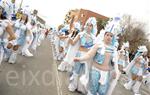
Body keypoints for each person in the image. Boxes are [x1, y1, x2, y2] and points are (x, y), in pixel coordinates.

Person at [73, 17, 125, 95]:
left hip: (106, 73)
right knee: (92, 90)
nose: (109, 37)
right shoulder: (98, 45)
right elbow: (89, 54)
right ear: (104, 35)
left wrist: (116, 71)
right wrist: (80, 58)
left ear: (113, 38)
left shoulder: (113, 49)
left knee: (102, 92)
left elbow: (115, 62)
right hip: (95, 71)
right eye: (107, 35)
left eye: (111, 36)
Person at [68, 17, 97, 93]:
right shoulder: (80, 34)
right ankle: (73, 85)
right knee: (76, 71)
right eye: (87, 24)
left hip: (86, 57)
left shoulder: (94, 38)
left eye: (90, 25)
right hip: (79, 54)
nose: (88, 26)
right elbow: (73, 43)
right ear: (85, 25)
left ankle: (80, 87)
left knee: (84, 73)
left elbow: (94, 50)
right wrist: (70, 39)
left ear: (93, 27)